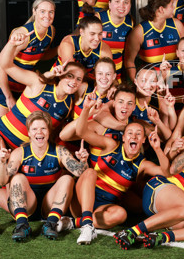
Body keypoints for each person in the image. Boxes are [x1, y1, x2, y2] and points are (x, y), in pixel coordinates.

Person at [0, 32, 85, 236]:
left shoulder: (68, 106)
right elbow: (5, 65)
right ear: (61, 72)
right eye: (70, 75)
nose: (74, 81)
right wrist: (11, 44)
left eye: (78, 79)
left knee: (14, 193)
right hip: (2, 133)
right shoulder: (38, 82)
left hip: (22, 151)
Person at [64, 93, 168, 245]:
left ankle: (74, 222)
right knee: (90, 172)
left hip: (103, 209)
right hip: (81, 198)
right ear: (124, 137)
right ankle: (87, 224)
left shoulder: (143, 164)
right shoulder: (111, 145)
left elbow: (167, 172)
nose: (134, 136)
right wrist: (86, 109)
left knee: (122, 214)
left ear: (144, 140)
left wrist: (158, 149)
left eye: (139, 134)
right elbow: (81, 132)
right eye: (130, 133)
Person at [0, 111, 89, 242]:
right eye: (34, 129)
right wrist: (2, 162)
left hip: (49, 206)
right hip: (26, 204)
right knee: (16, 179)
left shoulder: (59, 151)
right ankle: (22, 225)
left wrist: (83, 161)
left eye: (43, 128)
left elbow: (79, 172)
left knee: (67, 179)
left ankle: (50, 224)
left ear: (49, 132)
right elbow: (2, 180)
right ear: (28, 133)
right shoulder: (20, 153)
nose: (39, 132)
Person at [0, 0, 57, 121]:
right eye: (42, 11)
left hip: (22, 86)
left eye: (51, 12)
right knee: (3, 129)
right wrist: (8, 97)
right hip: (2, 85)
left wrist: (62, 47)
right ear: (34, 12)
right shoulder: (23, 35)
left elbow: (41, 55)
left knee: (25, 128)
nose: (47, 15)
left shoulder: (50, 31)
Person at [124, 0, 184, 81]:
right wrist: (137, 83)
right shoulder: (139, 31)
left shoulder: (177, 24)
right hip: (150, 83)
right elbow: (129, 61)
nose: (174, 7)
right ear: (161, 9)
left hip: (175, 80)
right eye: (171, 4)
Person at [55, 15, 113, 81]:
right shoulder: (68, 43)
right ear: (81, 32)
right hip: (61, 81)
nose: (97, 39)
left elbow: (109, 75)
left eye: (100, 34)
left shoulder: (104, 48)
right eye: (92, 34)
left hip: (87, 82)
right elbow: (72, 73)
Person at [98, 0, 134, 80]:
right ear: (109, 4)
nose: (122, 6)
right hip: (98, 73)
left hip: (117, 73)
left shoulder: (130, 22)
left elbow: (128, 54)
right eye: (117, 1)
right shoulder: (99, 18)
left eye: (126, 2)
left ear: (130, 5)